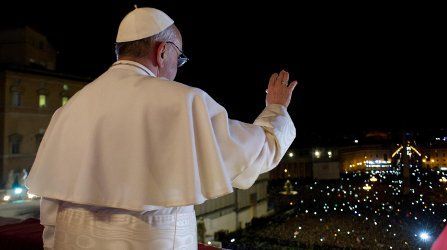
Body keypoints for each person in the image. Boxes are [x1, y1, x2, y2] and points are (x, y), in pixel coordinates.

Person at [26, 6, 297, 250]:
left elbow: (51, 214)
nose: (177, 68)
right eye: (178, 59)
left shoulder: (71, 107)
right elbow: (257, 152)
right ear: (163, 51)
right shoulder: (183, 102)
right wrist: (276, 109)